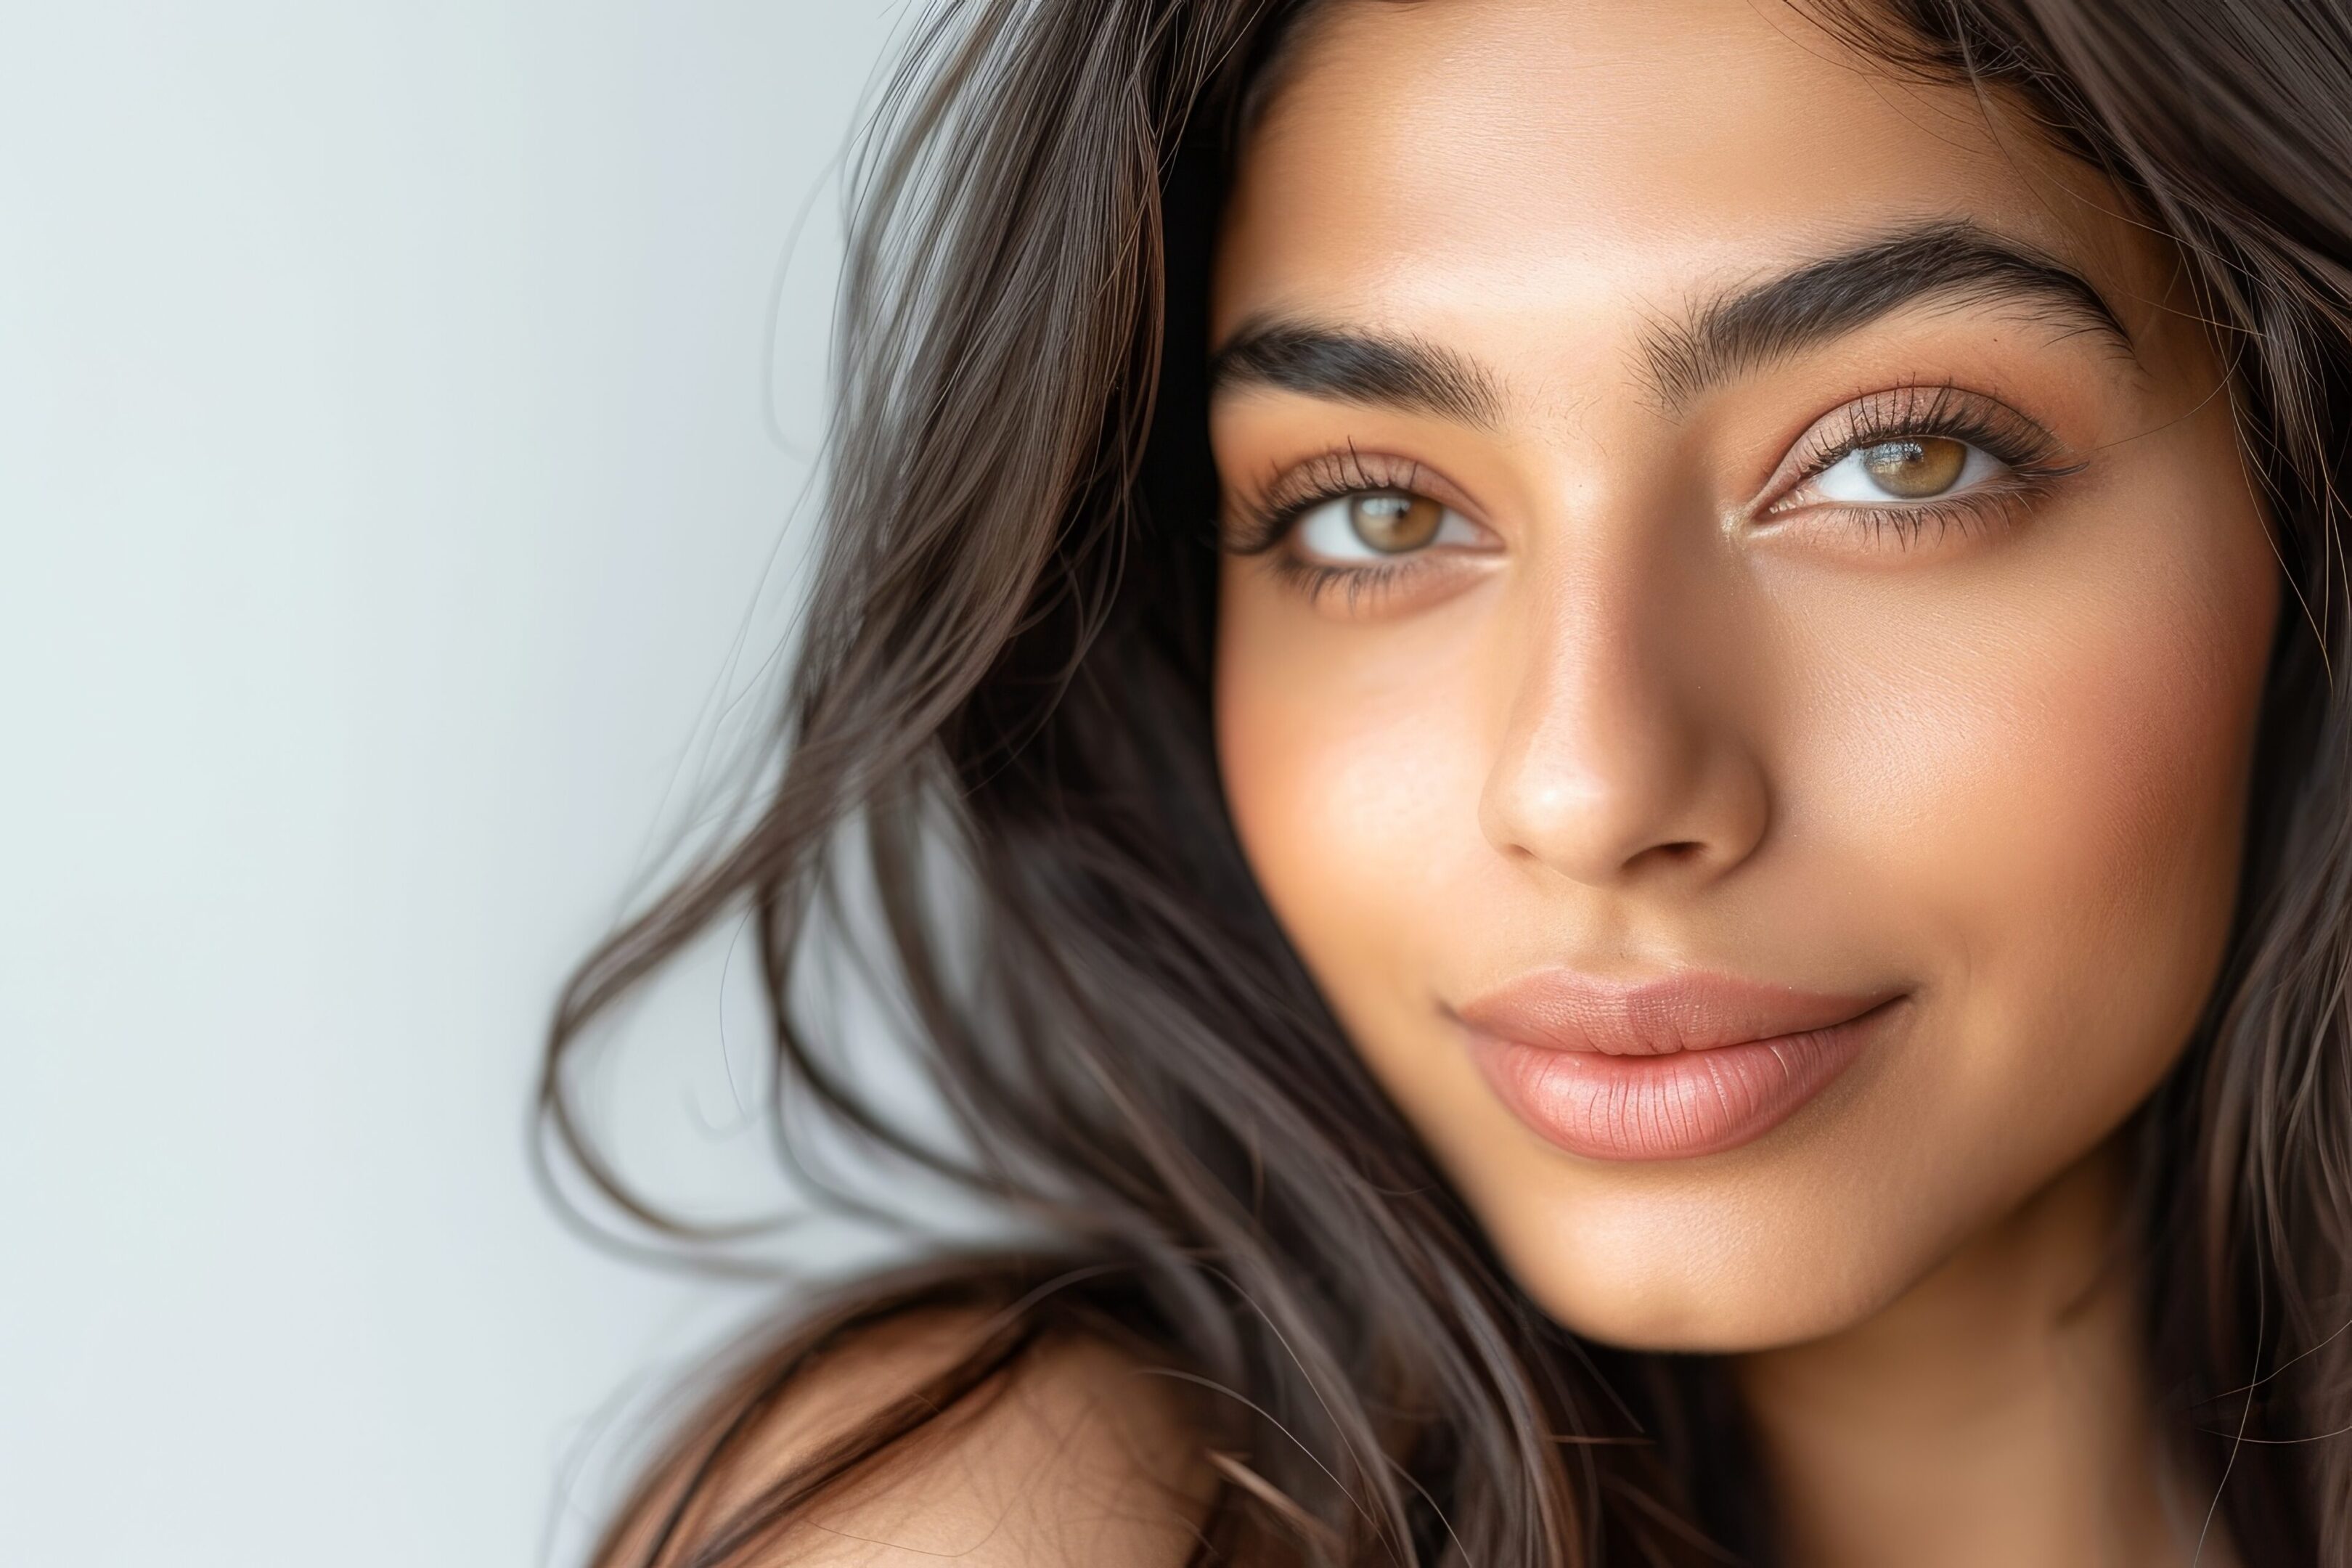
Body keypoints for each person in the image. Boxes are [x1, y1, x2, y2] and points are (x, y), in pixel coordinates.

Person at [543, 0, 2352, 1561]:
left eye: (1902, 465)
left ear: (2304, 509)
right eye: (1376, 512)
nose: (1585, 784)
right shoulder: (1010, 1520)